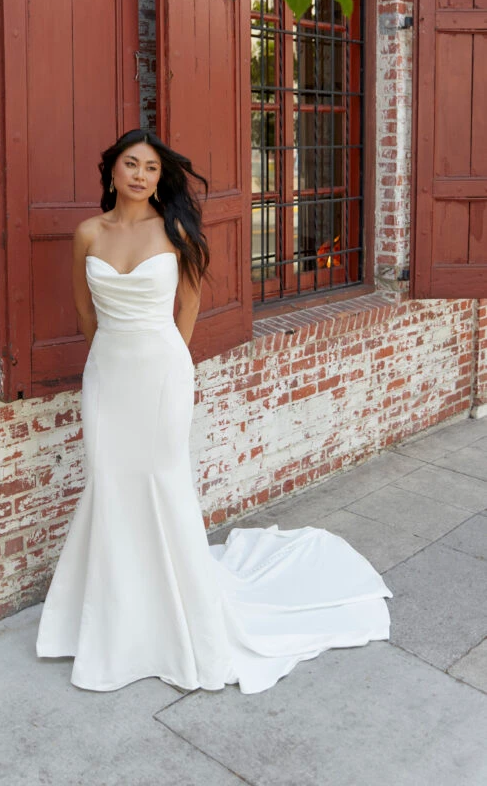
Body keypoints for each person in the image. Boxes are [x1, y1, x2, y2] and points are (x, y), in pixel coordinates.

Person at [35, 128, 392, 694]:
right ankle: (115, 621)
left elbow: (192, 303)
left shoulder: (173, 230)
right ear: (111, 172)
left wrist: (167, 357)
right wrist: (115, 355)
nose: (141, 175)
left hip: (162, 373)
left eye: (151, 168)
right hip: (107, 375)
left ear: (160, 179)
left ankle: (180, 619)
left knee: (162, 480)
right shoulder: (87, 234)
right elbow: (85, 315)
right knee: (109, 482)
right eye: (131, 164)